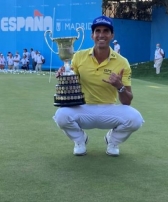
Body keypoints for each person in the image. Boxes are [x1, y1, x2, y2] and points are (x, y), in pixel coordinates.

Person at [53, 15, 144, 157]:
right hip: (82, 108)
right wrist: (65, 74)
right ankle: (80, 140)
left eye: (106, 31)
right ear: (92, 35)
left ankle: (112, 141)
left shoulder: (122, 62)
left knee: (135, 119)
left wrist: (119, 86)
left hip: (108, 110)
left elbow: (127, 101)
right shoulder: (78, 57)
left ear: (112, 35)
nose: (101, 35)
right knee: (61, 115)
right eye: (98, 31)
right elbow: (71, 84)